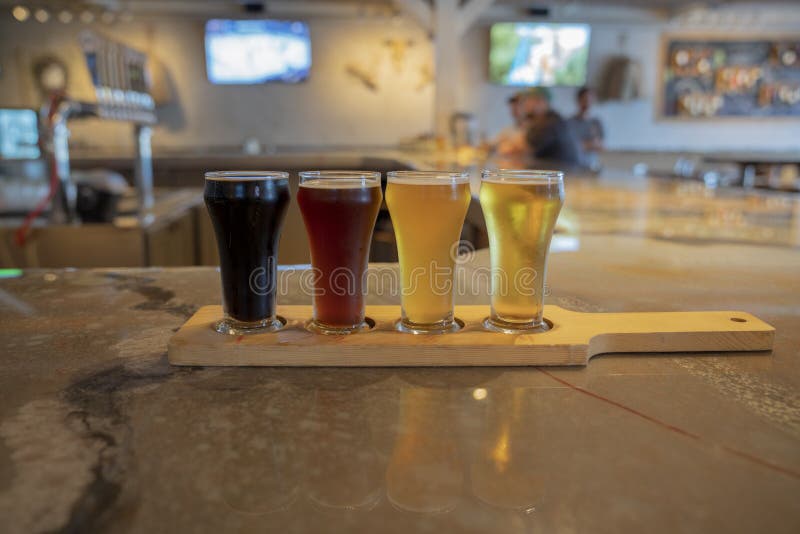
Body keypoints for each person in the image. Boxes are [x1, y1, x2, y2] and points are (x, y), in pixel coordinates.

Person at [521, 87, 582, 168]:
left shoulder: (551, 122)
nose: (525, 105)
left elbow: (526, 148)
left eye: (528, 100)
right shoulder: (541, 121)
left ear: (542, 102)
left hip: (565, 173)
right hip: (553, 170)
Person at [567, 86, 605, 171]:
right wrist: (590, 144)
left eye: (590, 99)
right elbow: (569, 146)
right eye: (584, 99)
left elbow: (601, 146)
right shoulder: (569, 123)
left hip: (591, 166)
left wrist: (583, 145)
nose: (587, 103)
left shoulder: (596, 123)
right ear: (579, 100)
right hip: (573, 165)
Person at [491, 92, 527, 156]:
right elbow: (493, 144)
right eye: (513, 106)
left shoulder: (532, 129)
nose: (514, 109)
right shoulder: (509, 129)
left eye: (519, 105)